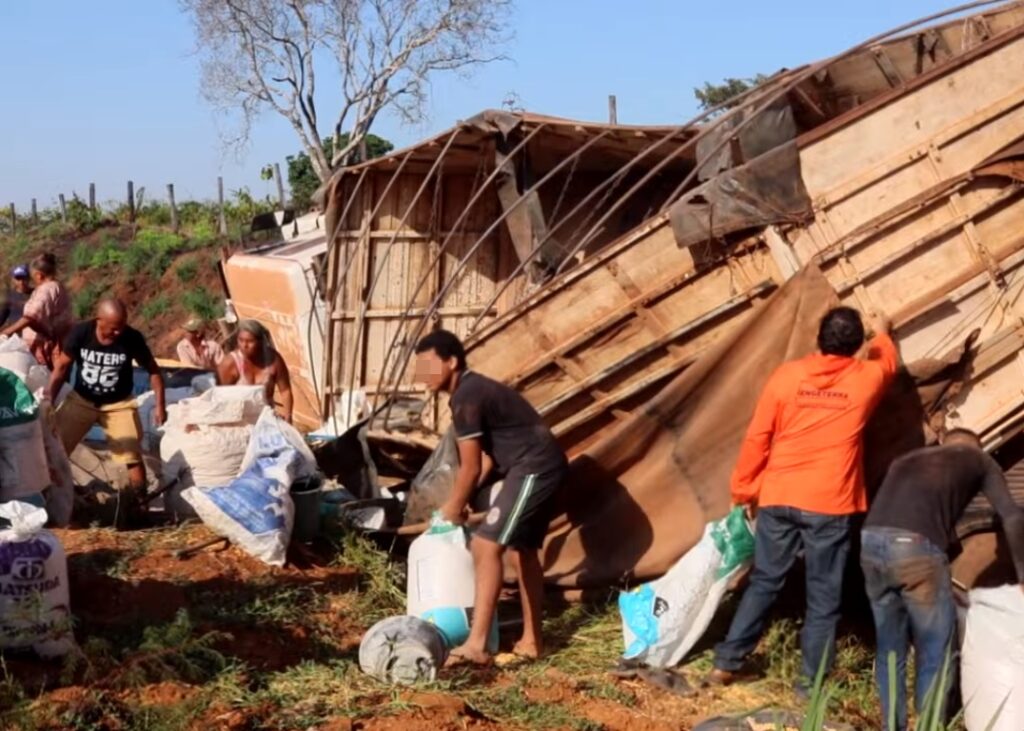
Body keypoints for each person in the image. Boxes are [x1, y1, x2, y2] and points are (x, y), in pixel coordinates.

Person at [708, 307, 899, 694]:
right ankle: (809, 688)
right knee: (824, 597)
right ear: (856, 344)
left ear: (818, 337)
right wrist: (882, 332)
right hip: (830, 503)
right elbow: (889, 361)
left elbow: (757, 436)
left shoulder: (787, 376)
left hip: (779, 495)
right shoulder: (865, 380)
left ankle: (727, 664)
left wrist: (744, 490)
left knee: (764, 581)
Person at [414, 329, 568, 666]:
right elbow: (486, 460)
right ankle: (531, 642)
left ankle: (477, 645)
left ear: (451, 362)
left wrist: (453, 507)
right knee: (522, 550)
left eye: (427, 366)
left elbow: (469, 468)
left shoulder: (466, 397)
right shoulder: (474, 389)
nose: (422, 376)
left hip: (534, 467)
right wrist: (462, 499)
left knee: (486, 546)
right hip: (534, 465)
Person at [861, 429, 1024, 730]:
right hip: (915, 550)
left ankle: (891, 726)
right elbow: (1012, 516)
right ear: (978, 447)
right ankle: (930, 725)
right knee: (936, 646)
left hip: (870, 545)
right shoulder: (979, 460)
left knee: (890, 646)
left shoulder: (906, 459)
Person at [48, 299, 166, 525]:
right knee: (55, 449)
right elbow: (62, 367)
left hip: (118, 404)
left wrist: (160, 405)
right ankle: (51, 500)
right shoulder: (81, 333)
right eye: (113, 327)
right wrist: (48, 400)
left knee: (131, 454)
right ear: (98, 320)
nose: (117, 331)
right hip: (82, 399)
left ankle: (140, 506)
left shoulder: (131, 338)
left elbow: (153, 370)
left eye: (121, 326)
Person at [1, 253, 72, 367]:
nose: (22, 282)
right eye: (18, 279)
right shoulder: (57, 287)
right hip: (41, 344)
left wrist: (6, 332)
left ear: (38, 275)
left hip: (43, 348)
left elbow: (31, 317)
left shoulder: (46, 290)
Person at [217, 319, 293, 423]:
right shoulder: (230, 363)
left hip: (267, 418)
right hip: (241, 421)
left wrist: (288, 417)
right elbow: (220, 395)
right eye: (241, 340)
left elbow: (285, 391)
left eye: (250, 341)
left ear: (261, 342)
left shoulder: (273, 359)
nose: (244, 345)